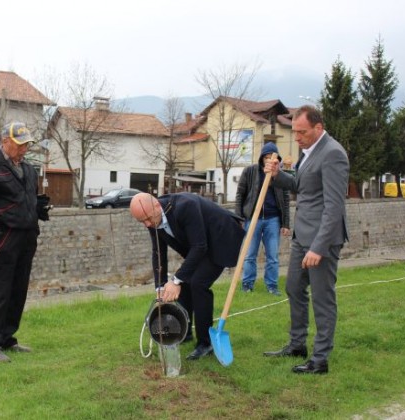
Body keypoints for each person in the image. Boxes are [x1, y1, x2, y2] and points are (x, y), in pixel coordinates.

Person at [262, 106, 349, 375]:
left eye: (302, 132)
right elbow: (301, 185)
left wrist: (319, 248)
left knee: (322, 298)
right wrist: (277, 176)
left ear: (318, 128)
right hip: (303, 236)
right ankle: (297, 344)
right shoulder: (309, 151)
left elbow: (334, 207)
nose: (296, 137)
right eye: (295, 131)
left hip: (321, 241)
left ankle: (320, 359)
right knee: (294, 288)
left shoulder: (333, 154)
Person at [130, 192, 245, 360]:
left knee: (198, 284)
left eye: (147, 219)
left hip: (222, 237)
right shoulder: (152, 219)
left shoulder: (185, 206)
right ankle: (185, 331)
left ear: (156, 206)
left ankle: (205, 344)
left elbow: (200, 246)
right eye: (142, 221)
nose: (147, 224)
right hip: (201, 243)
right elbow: (158, 253)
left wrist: (176, 280)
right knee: (184, 282)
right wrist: (160, 285)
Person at [0, 121, 51, 363]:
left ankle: (7, 338)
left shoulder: (28, 170)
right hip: (4, 237)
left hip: (27, 237)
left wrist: (38, 208)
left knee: (18, 291)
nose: (24, 149)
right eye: (20, 144)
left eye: (26, 144)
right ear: (5, 141)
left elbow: (23, 201)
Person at [235, 142, 290, 295]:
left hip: (273, 220)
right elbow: (240, 194)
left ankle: (272, 286)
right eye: (266, 157)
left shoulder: (279, 175)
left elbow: (285, 199)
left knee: (272, 256)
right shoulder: (250, 171)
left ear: (276, 160)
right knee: (249, 254)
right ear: (261, 158)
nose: (268, 160)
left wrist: (285, 223)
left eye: (271, 158)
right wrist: (239, 218)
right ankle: (247, 284)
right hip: (253, 219)